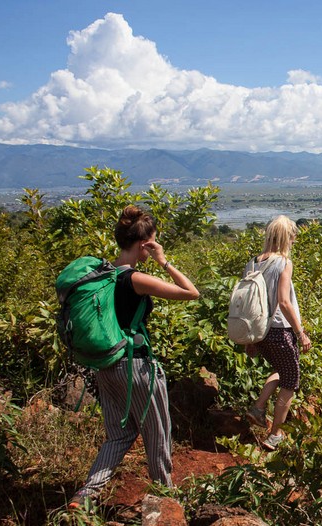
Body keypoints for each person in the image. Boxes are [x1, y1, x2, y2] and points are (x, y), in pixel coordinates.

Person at [70, 206, 200, 509]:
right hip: (136, 367)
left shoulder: (102, 276)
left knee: (118, 435)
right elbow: (191, 292)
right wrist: (163, 260)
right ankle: (166, 500)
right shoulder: (135, 279)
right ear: (145, 244)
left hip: (106, 365)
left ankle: (86, 495)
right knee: (157, 434)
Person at [244, 215, 312, 450]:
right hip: (280, 331)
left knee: (281, 371)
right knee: (291, 381)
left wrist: (250, 338)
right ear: (285, 237)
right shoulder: (283, 262)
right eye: (292, 237)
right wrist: (300, 332)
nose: (293, 241)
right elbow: (284, 302)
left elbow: (247, 303)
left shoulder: (253, 262)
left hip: (260, 332)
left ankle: (259, 408)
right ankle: (275, 435)